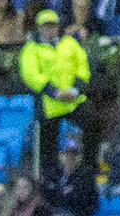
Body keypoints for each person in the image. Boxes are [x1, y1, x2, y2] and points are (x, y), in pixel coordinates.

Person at [19, 9, 89, 169]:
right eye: (45, 26)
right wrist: (54, 92)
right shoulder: (31, 49)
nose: (49, 30)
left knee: (90, 129)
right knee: (48, 152)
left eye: (52, 26)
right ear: (39, 28)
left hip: (73, 102)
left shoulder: (70, 43)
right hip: (48, 107)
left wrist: (74, 90)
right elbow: (31, 75)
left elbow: (83, 67)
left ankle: (86, 169)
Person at [47, 132, 99, 216]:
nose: (70, 158)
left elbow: (84, 200)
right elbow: (48, 196)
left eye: (74, 154)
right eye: (67, 154)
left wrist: (67, 193)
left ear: (79, 157)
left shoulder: (86, 175)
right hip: (57, 215)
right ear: (60, 156)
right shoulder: (54, 175)